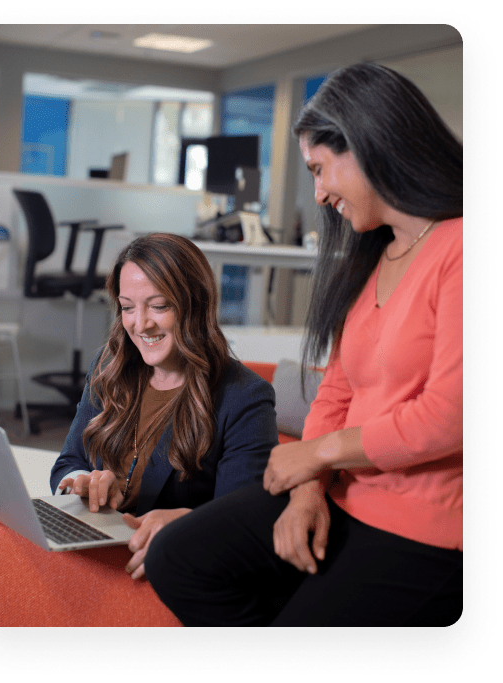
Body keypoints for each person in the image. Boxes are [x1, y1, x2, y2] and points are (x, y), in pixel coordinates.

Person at [144, 62, 464, 626]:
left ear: (369, 145)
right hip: (341, 496)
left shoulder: (464, 248)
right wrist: (308, 490)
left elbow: (451, 416)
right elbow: (336, 390)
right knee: (177, 557)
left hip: (427, 526)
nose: (317, 194)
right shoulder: (374, 254)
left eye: (320, 170)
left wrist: (315, 455)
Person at [50, 232, 278, 580]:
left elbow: (244, 521)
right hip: (91, 544)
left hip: (161, 563)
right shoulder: (108, 365)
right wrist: (82, 482)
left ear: (195, 305)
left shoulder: (244, 396)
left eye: (159, 306)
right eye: (128, 307)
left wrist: (185, 522)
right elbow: (68, 463)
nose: (140, 324)